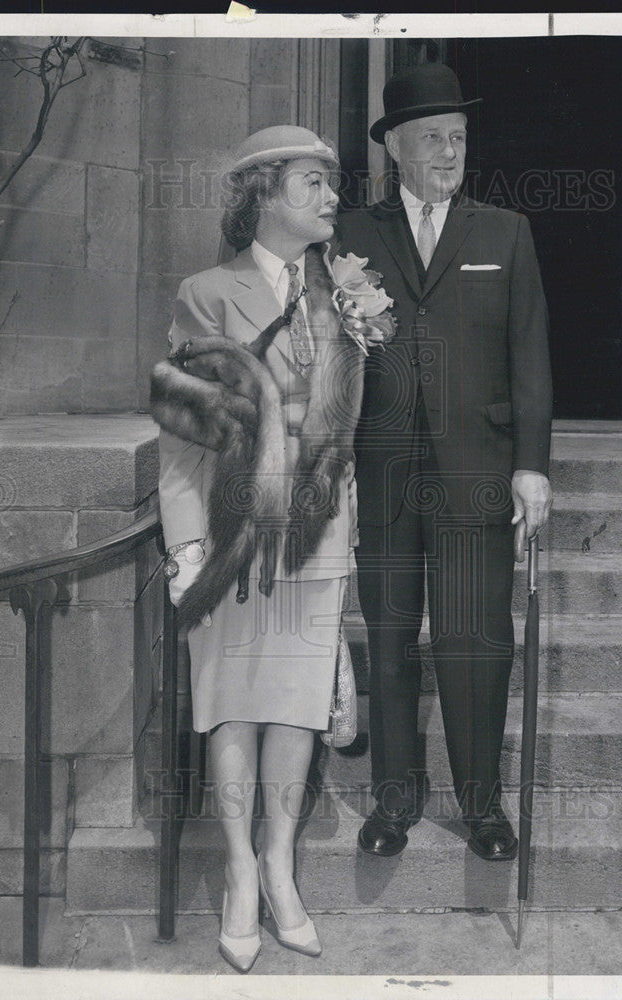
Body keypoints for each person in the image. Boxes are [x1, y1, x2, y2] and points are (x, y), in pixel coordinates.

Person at [154, 126, 368, 972]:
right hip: (235, 534)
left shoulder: (344, 291)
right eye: (313, 183)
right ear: (264, 195)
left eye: (331, 184)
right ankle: (240, 870)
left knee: (294, 700)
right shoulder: (206, 293)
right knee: (232, 701)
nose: (331, 198)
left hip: (318, 531)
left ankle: (280, 866)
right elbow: (181, 437)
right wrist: (186, 549)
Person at [337, 63, 553, 861]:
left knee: (473, 642)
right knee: (390, 638)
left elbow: (528, 355)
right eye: (431, 137)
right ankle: (393, 801)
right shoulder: (349, 238)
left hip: (477, 472)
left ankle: (482, 807)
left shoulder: (505, 232)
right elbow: (329, 363)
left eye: (458, 138)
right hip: (383, 473)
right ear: (394, 147)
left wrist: (532, 466)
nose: (449, 151)